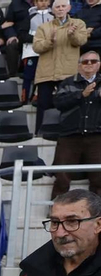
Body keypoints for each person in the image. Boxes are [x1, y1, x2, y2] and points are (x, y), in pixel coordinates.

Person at [50, 50, 101, 200]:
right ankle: (56, 211)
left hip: (97, 136)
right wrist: (81, 95)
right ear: (79, 66)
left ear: (99, 65)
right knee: (62, 176)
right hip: (69, 135)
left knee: (99, 177)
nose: (89, 64)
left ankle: (97, 213)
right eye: (85, 62)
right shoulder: (67, 82)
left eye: (93, 61)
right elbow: (58, 103)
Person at [35, 1, 93, 126]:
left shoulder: (78, 23)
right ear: (52, 10)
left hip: (68, 71)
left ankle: (71, 131)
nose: (60, 9)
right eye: (57, 7)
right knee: (43, 104)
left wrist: (72, 35)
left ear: (69, 8)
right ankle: (40, 131)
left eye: (63, 6)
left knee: (71, 104)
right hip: (46, 71)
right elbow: (36, 47)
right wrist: (50, 40)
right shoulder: (43, 27)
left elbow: (81, 41)